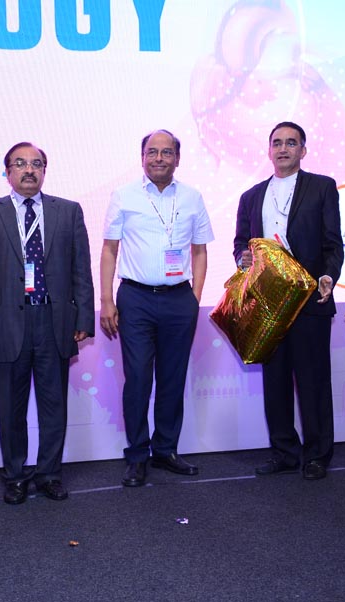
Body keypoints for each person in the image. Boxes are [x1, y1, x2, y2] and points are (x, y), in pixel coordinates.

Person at [0, 142, 95, 504]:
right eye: (20, 164)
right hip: (7, 323)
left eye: (36, 164)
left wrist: (84, 316)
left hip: (54, 321)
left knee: (54, 406)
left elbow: (81, 270)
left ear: (44, 170)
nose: (29, 170)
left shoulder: (68, 212)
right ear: (7, 172)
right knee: (12, 408)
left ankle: (49, 473)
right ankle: (15, 476)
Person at [100, 130, 214, 488]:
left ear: (177, 158)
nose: (159, 158)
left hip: (179, 299)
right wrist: (106, 299)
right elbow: (109, 249)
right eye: (152, 152)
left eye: (166, 152)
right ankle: (137, 455)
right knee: (137, 378)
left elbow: (200, 250)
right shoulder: (124, 196)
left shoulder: (192, 197)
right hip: (135, 299)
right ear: (142, 157)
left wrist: (194, 297)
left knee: (172, 377)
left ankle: (165, 449)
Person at [234, 121, 343, 480]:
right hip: (269, 304)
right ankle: (284, 452)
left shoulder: (322, 187)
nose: (283, 149)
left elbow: (332, 243)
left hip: (310, 298)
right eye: (277, 143)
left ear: (303, 150)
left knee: (313, 382)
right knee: (275, 381)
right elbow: (240, 243)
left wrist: (328, 277)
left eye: (291, 143)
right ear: (269, 150)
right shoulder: (251, 196)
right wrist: (242, 259)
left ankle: (317, 455)